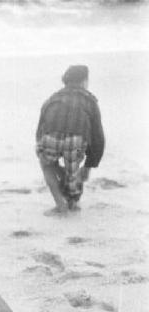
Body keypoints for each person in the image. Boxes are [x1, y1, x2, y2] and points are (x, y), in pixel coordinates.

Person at [36, 65, 105, 213]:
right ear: (84, 81)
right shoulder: (90, 101)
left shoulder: (52, 98)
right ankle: (72, 202)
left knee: (46, 164)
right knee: (72, 173)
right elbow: (98, 136)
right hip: (76, 140)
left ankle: (61, 205)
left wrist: (41, 148)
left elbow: (41, 126)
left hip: (50, 137)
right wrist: (90, 164)